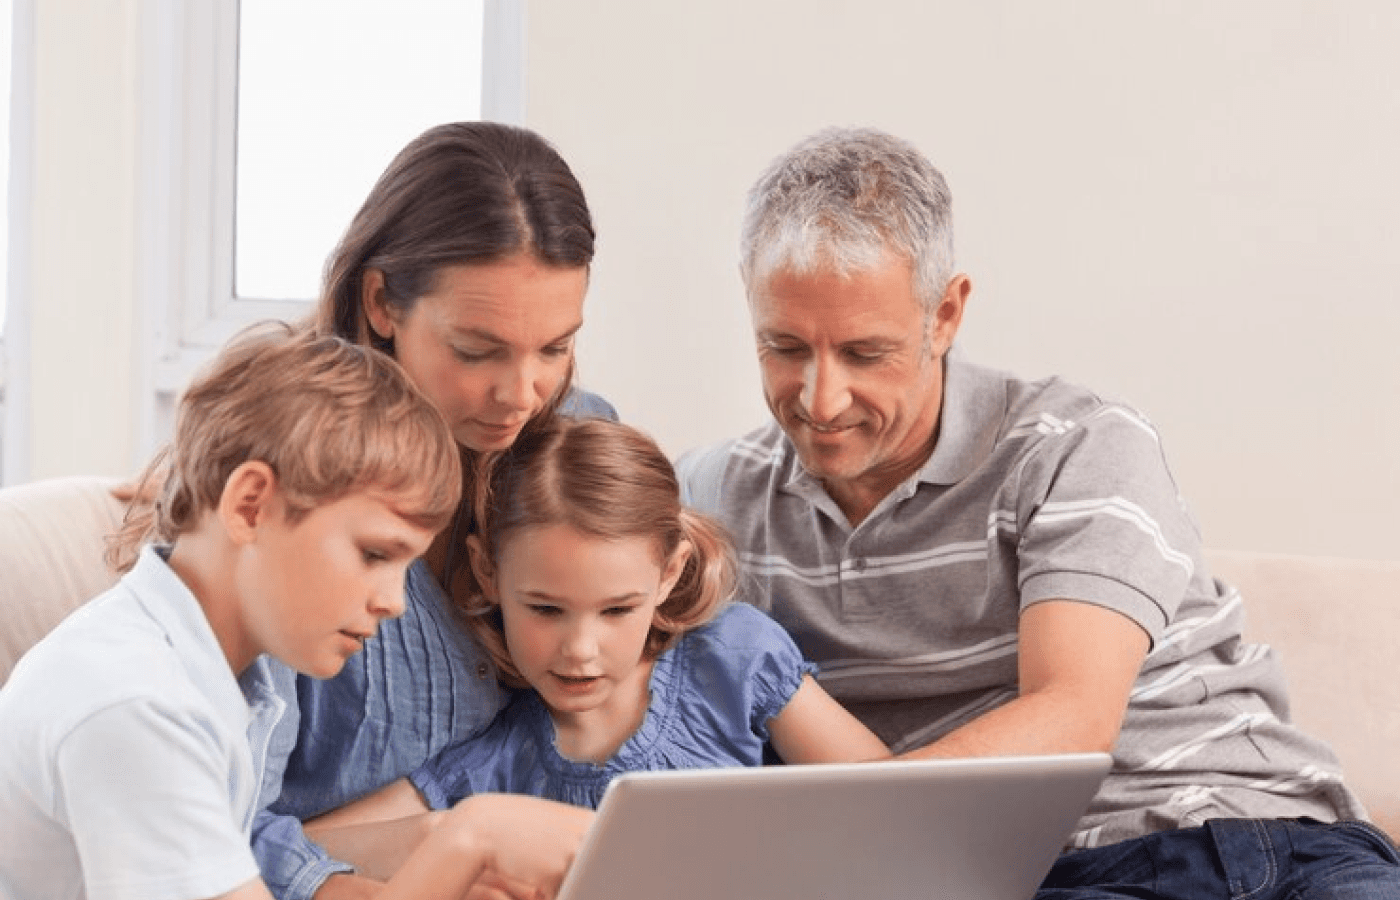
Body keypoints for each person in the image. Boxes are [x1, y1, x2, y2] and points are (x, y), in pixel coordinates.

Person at [677, 126, 1400, 899]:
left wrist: (858, 838)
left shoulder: (1075, 445)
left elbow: (1072, 715)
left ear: (946, 314)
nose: (820, 400)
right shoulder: (715, 500)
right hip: (1048, 878)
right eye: (784, 347)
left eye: (863, 354)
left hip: (1256, 841)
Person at [0, 324, 590, 900]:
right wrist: (468, 839)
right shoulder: (137, 703)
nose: (393, 601)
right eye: (373, 554)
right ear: (251, 504)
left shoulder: (219, 680)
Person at [236, 122, 615, 900]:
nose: (522, 395)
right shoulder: (288, 502)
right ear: (381, 303)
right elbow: (217, 828)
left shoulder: (579, 446)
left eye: (555, 348)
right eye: (477, 351)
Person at [286, 418, 885, 867]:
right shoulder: (487, 757)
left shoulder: (734, 658)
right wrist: (464, 832)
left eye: (617, 609)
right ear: (489, 573)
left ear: (669, 573)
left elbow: (888, 803)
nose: (579, 649)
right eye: (545, 609)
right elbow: (302, 847)